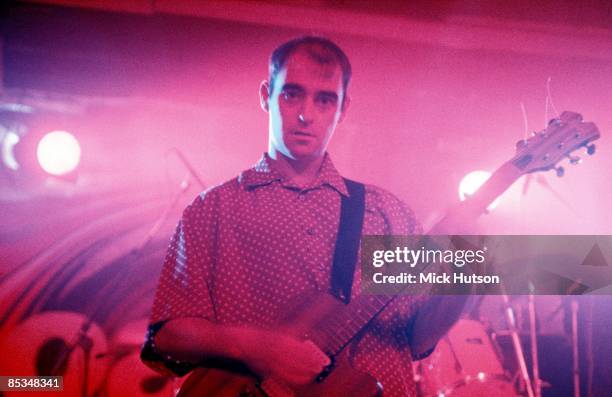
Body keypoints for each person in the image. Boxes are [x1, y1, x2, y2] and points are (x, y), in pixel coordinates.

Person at [141, 36, 465, 397]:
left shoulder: (388, 212)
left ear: (342, 109)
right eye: (292, 94)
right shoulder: (212, 209)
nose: (306, 114)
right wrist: (258, 348)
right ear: (266, 95)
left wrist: (464, 275)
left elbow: (419, 339)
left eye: (325, 100)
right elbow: (167, 337)